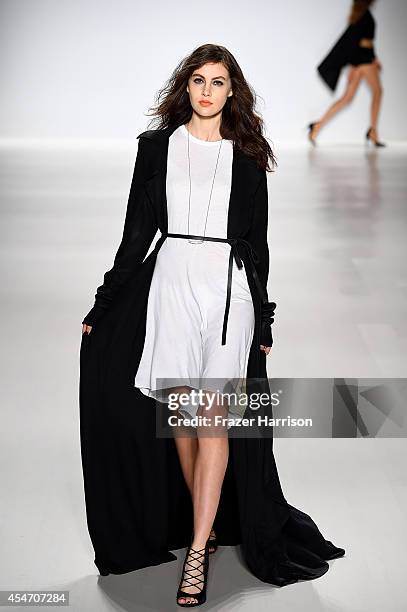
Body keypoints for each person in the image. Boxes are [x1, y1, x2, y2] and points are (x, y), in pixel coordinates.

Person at [80, 43, 345, 608]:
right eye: (198, 80)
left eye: (217, 82)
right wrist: (104, 304)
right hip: (171, 285)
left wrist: (264, 316)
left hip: (229, 293)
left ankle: (198, 550)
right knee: (182, 418)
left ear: (232, 92)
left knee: (214, 422)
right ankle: (208, 519)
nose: (206, 90)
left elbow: (260, 243)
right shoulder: (156, 149)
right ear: (186, 87)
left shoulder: (248, 156)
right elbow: (135, 234)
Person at [309, 0, 385, 146]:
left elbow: (361, 41)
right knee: (378, 92)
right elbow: (353, 42)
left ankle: (317, 126)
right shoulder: (364, 16)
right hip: (364, 60)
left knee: (347, 98)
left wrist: (372, 58)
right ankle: (373, 132)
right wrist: (354, 64)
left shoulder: (360, 15)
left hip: (364, 59)